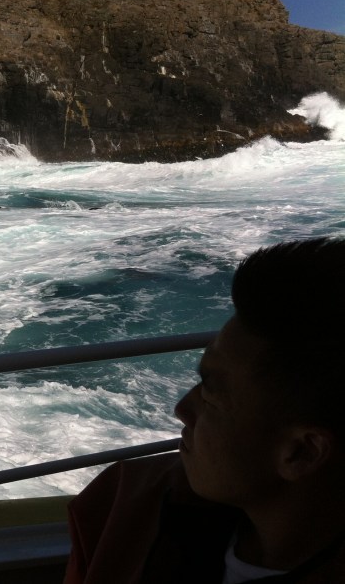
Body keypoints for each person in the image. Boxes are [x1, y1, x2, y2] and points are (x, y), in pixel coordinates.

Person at [64, 236, 345, 583]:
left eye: (211, 396)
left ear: (301, 452)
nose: (181, 408)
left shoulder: (130, 516)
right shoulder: (121, 504)